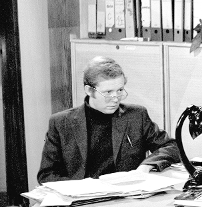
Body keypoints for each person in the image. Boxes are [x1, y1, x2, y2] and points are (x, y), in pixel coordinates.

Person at [37, 56, 180, 183]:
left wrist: (146, 166)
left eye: (120, 90)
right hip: (84, 198)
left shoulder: (137, 116)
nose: (115, 98)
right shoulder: (61, 123)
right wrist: (83, 187)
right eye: (108, 92)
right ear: (89, 90)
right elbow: (46, 175)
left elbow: (172, 147)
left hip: (126, 195)